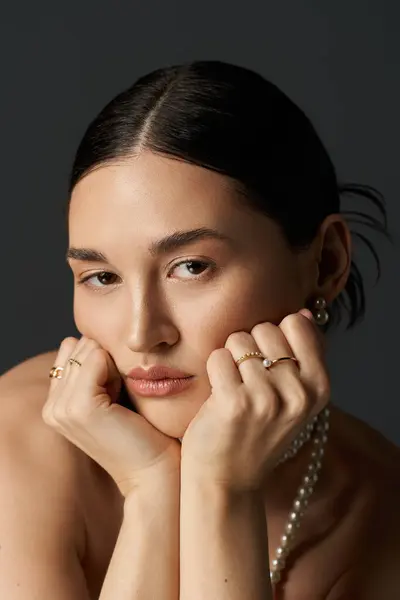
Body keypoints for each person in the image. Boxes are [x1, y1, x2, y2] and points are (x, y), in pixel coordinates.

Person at [0, 60, 399, 600]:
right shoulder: (19, 441)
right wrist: (151, 487)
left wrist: (220, 489)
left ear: (325, 263)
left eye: (191, 267)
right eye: (102, 276)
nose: (143, 334)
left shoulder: (380, 510)